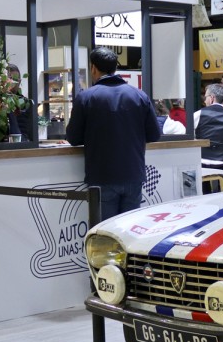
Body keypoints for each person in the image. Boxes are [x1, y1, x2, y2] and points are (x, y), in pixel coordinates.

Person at [66, 47, 160, 221]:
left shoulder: (86, 97)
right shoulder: (139, 96)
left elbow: (73, 138)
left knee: (105, 235)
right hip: (134, 175)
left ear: (93, 68)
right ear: (115, 69)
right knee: (129, 233)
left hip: (102, 177)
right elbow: (154, 134)